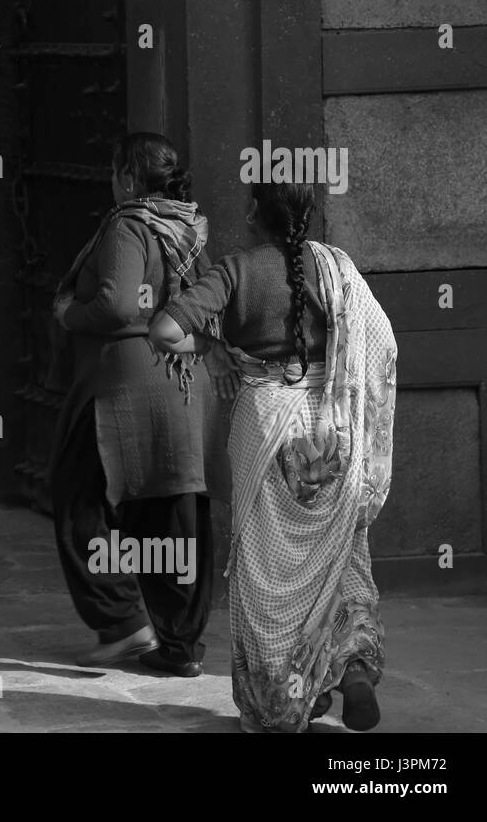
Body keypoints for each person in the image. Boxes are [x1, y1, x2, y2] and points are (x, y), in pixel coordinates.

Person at [149, 178, 396, 733]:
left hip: (266, 426)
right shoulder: (337, 267)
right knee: (342, 558)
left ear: (254, 213)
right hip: (334, 429)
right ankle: (352, 670)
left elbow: (163, 329)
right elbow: (383, 340)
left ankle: (284, 706)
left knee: (267, 571)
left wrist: (212, 348)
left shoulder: (236, 270)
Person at [49, 132, 215, 677]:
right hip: (183, 379)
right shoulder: (189, 226)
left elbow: (118, 305)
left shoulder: (128, 224)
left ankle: (122, 622)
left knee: (79, 498)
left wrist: (70, 313)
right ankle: (182, 644)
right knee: (172, 511)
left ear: (125, 176)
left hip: (122, 387)